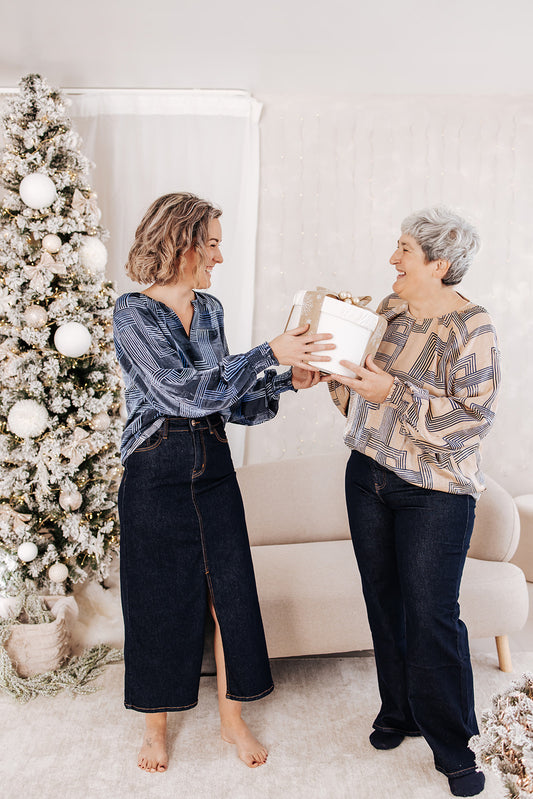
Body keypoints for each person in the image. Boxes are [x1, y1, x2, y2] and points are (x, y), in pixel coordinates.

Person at [113, 192, 332, 773]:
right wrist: (266, 353)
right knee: (157, 602)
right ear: (181, 243)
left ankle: (232, 720)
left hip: (211, 465)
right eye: (210, 243)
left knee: (229, 598)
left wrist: (287, 379)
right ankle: (155, 731)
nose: (218, 256)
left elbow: (225, 399)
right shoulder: (131, 313)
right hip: (154, 469)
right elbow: (182, 392)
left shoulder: (209, 309)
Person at [325, 207, 500, 797]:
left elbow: (471, 423)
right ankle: (397, 711)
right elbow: (359, 386)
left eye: (403, 250)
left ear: (439, 263)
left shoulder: (471, 327)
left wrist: (393, 392)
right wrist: (335, 351)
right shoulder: (390, 310)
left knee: (431, 617)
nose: (392, 260)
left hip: (436, 494)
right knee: (385, 604)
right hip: (367, 477)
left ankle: (454, 747)